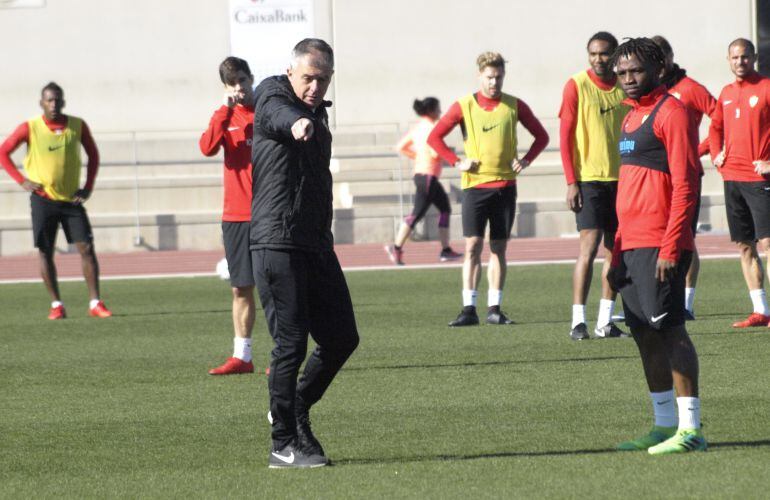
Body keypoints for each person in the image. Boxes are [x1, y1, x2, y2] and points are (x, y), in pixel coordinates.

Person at [250, 38, 359, 468]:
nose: (315, 86)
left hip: (314, 243)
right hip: (277, 242)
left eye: (323, 79)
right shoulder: (274, 96)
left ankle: (294, 409)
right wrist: (296, 122)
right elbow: (278, 113)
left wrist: (309, 119)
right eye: (309, 78)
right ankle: (283, 444)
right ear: (292, 72)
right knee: (290, 345)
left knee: (342, 338)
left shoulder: (319, 115)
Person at [609, 38, 706, 454]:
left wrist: (671, 246)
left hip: (661, 243)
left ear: (659, 68)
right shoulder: (629, 119)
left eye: (636, 71)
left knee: (670, 332)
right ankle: (664, 425)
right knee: (644, 335)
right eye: (622, 73)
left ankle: (691, 430)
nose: (629, 80)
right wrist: (615, 253)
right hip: (631, 246)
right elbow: (629, 190)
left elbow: (687, 183)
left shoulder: (673, 112)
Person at [428, 51, 549, 326]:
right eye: (490, 77)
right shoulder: (464, 106)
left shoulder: (514, 105)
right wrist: (457, 161)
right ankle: (468, 308)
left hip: (505, 186)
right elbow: (434, 138)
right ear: (479, 76)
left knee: (498, 248)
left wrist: (526, 160)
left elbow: (541, 136)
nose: (494, 83)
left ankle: (494, 307)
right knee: (472, 246)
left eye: (499, 77)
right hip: (475, 187)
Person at [0, 82, 111, 320]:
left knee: (87, 249)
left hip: (72, 200)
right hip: (43, 200)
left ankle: (95, 303)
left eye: (57, 100)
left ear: (64, 102)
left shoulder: (77, 126)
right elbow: (3, 152)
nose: (54, 104)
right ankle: (56, 304)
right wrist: (22, 181)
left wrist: (88, 186)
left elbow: (93, 155)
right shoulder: (30, 127)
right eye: (49, 100)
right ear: (41, 103)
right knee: (45, 251)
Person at [559, 31, 629, 340]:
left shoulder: (625, 87)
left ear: (615, 56)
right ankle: (578, 321)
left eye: (604, 53)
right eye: (593, 53)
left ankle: (605, 321)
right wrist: (571, 181)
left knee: (616, 251)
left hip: (623, 181)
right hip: (589, 180)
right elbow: (564, 137)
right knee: (588, 247)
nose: (598, 59)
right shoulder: (576, 85)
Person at [199, 57, 264, 376]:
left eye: (243, 80)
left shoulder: (267, 110)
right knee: (241, 287)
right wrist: (224, 112)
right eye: (233, 83)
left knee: (275, 286)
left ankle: (284, 355)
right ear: (226, 87)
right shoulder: (224, 116)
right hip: (236, 215)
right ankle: (243, 356)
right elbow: (207, 147)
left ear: (252, 78)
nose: (240, 88)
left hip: (269, 211)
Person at [652, 35, 718, 321]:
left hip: (685, 175)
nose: (658, 63)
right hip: (655, 177)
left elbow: (721, 116)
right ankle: (656, 298)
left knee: (684, 237)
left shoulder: (688, 88)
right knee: (654, 236)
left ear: (669, 57)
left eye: (661, 57)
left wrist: (700, 149)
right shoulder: (650, 91)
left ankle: (686, 302)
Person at [708, 38, 770, 328]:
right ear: (728, 60)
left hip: (760, 180)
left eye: (745, 57)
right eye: (735, 58)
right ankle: (761, 311)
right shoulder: (726, 93)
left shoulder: (767, 87)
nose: (740, 62)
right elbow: (715, 126)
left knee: (768, 244)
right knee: (745, 246)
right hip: (732, 178)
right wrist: (716, 153)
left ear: (754, 57)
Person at [385, 97, 462, 265]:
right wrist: (448, 155)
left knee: (444, 209)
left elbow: (400, 147)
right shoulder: (433, 128)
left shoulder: (418, 127)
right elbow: (435, 152)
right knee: (417, 214)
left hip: (422, 175)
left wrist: (417, 156)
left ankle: (446, 250)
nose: (440, 112)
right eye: (438, 109)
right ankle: (396, 248)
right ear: (432, 110)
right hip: (428, 175)